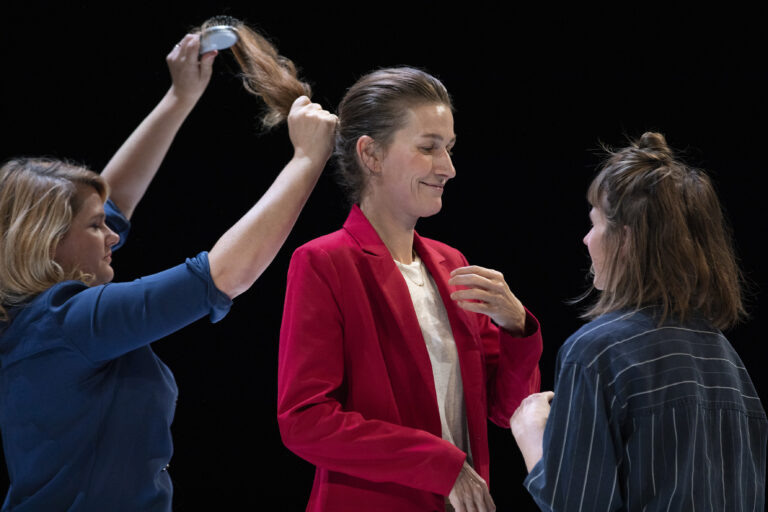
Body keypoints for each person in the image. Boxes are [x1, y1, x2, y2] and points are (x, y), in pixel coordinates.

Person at [0, 31, 337, 511]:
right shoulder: (70, 320)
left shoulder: (32, 318)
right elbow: (222, 276)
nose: (115, 235)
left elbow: (113, 202)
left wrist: (180, 97)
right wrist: (306, 161)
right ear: (47, 243)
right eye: (97, 228)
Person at [277, 66, 543, 512]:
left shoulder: (452, 263)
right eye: (428, 148)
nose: (449, 168)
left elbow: (506, 409)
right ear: (371, 155)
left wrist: (516, 327)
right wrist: (440, 463)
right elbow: (305, 420)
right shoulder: (324, 261)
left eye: (450, 149)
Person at [510, 132, 767, 510]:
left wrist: (531, 435)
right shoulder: (727, 360)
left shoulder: (596, 353)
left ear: (625, 239)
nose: (586, 239)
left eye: (595, 224)